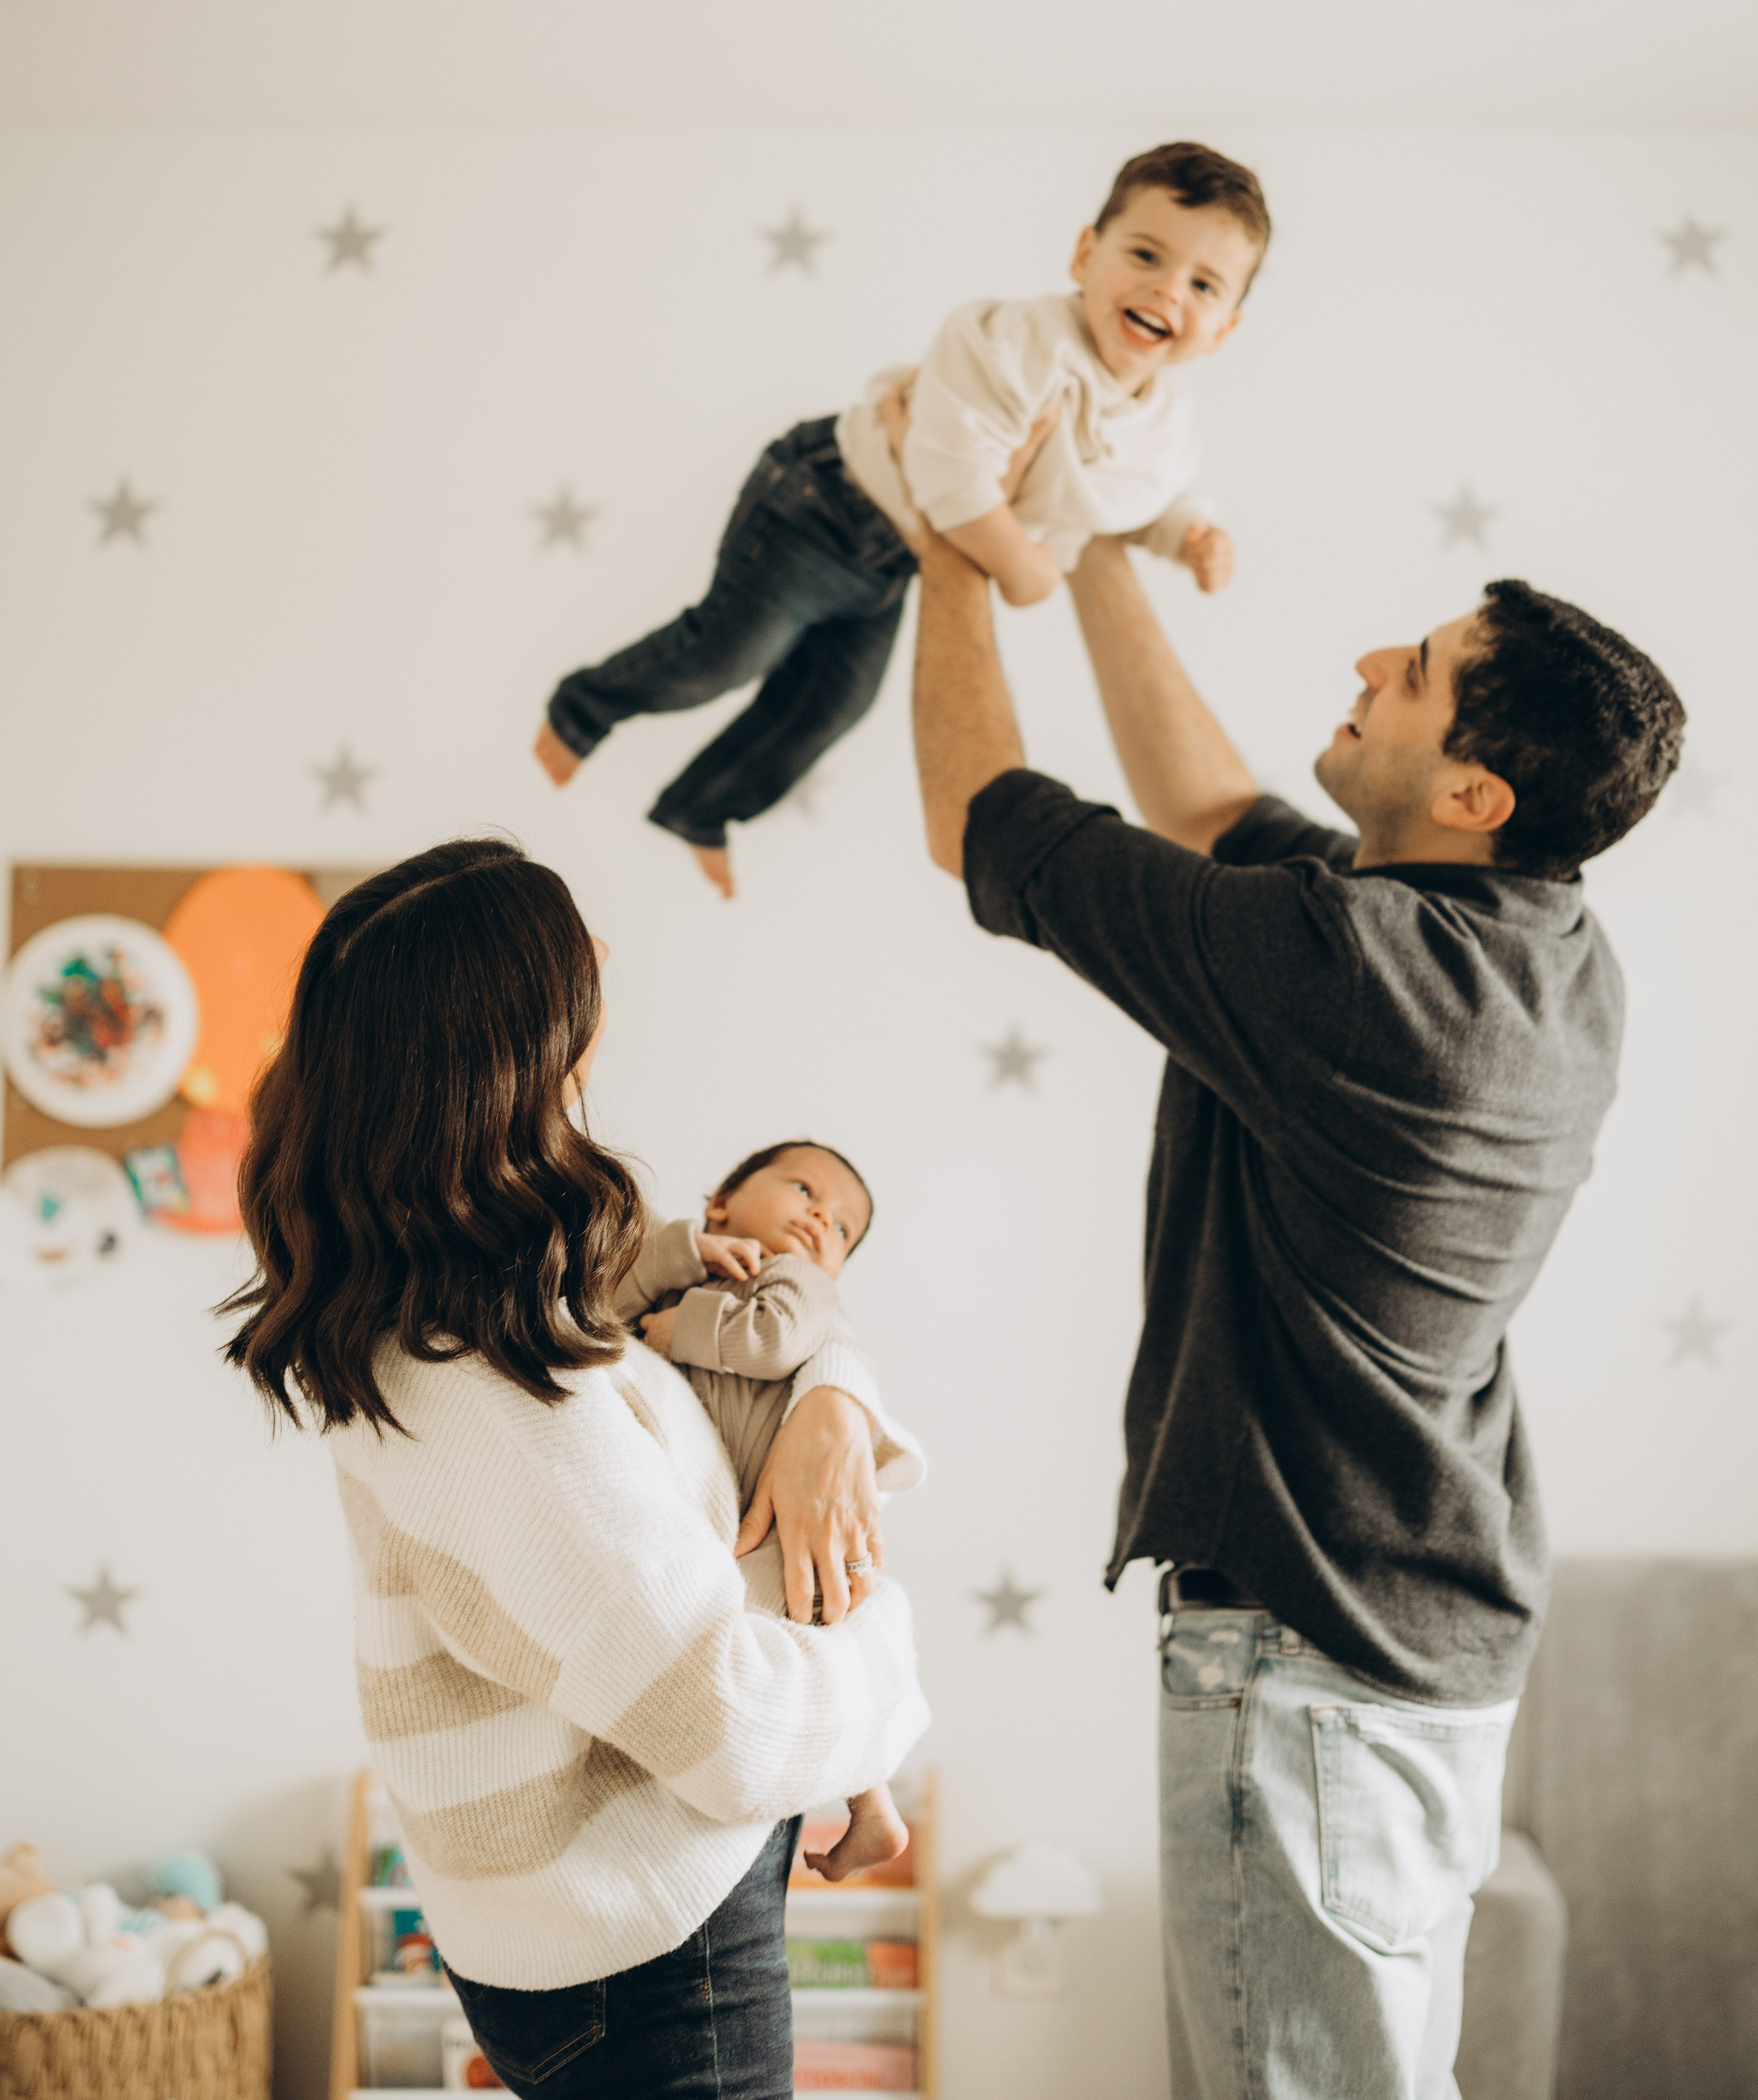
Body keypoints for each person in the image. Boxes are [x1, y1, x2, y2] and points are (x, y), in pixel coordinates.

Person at [909, 532, 1684, 2100]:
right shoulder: (1543, 951)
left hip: (1307, 1663)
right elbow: (1206, 808)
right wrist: (1099, 543)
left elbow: (978, 819)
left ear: (1473, 795)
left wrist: (946, 548)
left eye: (1407, 675)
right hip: (1394, 1642)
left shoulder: (1348, 976)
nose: (1360, 669)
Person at [221, 841, 928, 2100]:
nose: (606, 964)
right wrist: (886, 1645)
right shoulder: (487, 1379)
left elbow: (778, 1326)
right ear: (517, 1045)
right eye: (575, 954)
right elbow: (729, 1721)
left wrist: (829, 1402)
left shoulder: (488, 1286)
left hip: (617, 1932)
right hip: (649, 1955)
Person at [535, 141, 1268, 899]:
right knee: (726, 652)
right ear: (1085, 254)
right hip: (823, 504)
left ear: (1223, 329)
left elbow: (1131, 497)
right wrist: (1021, 568)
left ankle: (699, 809)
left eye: (1203, 283)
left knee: (832, 706)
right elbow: (947, 474)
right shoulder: (1022, 346)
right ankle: (581, 708)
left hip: (895, 561)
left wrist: (1187, 536)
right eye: (1145, 255)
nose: (1167, 289)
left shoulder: (1168, 425)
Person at [616, 1136, 911, 1883]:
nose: (822, 1222)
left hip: (774, 1518)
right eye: (805, 1192)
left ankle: (870, 1807)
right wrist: (685, 1254)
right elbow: (602, 1307)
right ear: (722, 1202)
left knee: (813, 1649)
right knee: (788, 1651)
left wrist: (676, 1330)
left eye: (843, 1228)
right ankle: (869, 1809)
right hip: (705, 1513)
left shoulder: (799, 1284)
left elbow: (772, 1342)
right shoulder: (673, 1271)